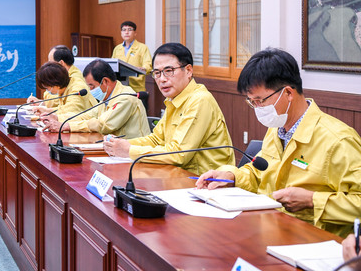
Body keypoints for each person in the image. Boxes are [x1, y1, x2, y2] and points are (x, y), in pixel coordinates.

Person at [195, 48, 361, 238]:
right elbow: (260, 173)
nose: (257, 109)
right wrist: (230, 176)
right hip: (269, 229)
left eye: (260, 101)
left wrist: (312, 200)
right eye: (251, 102)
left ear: (288, 93)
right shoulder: (277, 128)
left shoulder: (337, 140)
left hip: (313, 242)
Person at [103, 43, 234, 175]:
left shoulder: (200, 100)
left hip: (206, 183)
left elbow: (179, 154)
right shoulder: (174, 99)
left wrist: (129, 150)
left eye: (169, 71)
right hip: (178, 176)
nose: (162, 79)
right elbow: (156, 140)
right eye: (157, 73)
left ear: (188, 70)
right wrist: (120, 144)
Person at [41, 59, 149, 137]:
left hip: (133, 154)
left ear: (105, 81)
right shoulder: (107, 97)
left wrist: (68, 126)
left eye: (91, 86)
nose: (90, 90)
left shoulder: (125, 97)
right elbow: (87, 115)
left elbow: (103, 124)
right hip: (115, 148)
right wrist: (59, 119)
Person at [111, 21, 152, 93]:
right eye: (124, 30)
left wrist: (144, 68)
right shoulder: (117, 48)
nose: (126, 32)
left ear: (135, 33)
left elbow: (148, 64)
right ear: (121, 33)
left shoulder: (143, 47)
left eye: (129, 29)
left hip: (136, 87)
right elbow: (112, 65)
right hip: (120, 87)